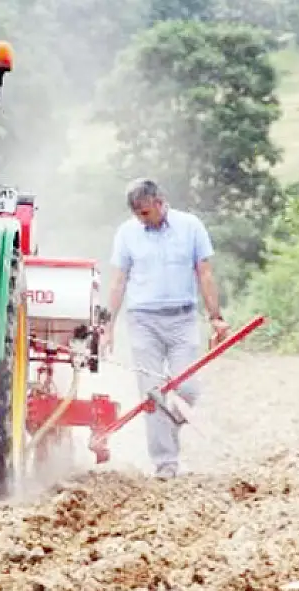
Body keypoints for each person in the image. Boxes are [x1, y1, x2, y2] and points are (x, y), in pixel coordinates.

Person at [99, 177, 230, 479]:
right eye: (135, 214)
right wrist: (108, 326)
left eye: (144, 212)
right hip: (143, 321)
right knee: (153, 394)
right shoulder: (127, 233)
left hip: (183, 319)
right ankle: (166, 463)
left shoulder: (191, 226)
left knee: (185, 388)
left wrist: (216, 317)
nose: (140, 219)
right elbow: (118, 281)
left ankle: (171, 422)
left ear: (160, 203)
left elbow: (205, 274)